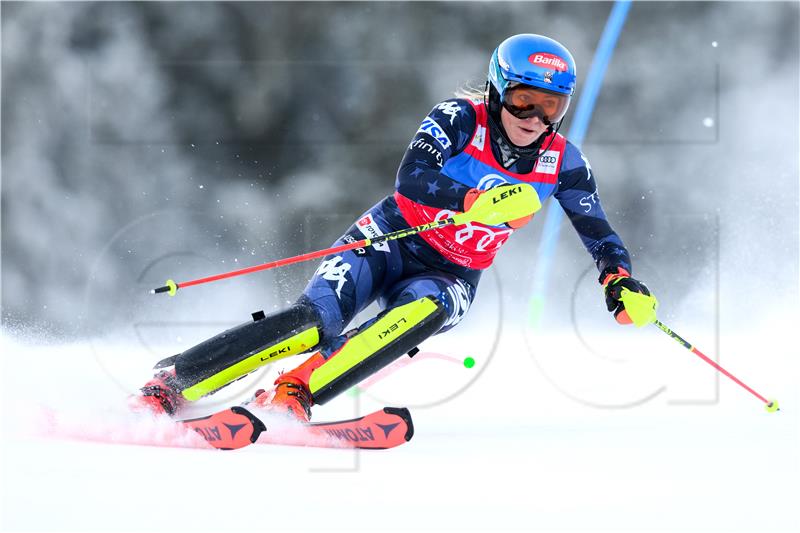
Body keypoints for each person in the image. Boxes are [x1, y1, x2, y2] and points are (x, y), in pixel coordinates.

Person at [133, 34, 655, 422]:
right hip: (386, 241)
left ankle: (294, 393)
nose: (535, 118)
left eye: (551, 106)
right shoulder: (459, 118)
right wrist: (473, 199)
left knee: (416, 316)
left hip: (452, 273)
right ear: (498, 90)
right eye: (523, 100)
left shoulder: (563, 162)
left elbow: (597, 231)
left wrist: (619, 281)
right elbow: (412, 178)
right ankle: (174, 382)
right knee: (313, 324)